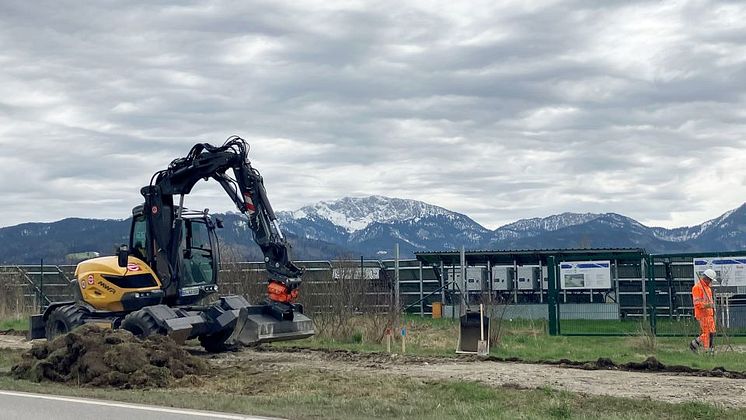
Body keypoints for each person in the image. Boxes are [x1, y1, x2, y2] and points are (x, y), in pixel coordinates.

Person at [689, 268, 717, 353]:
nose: (711, 282)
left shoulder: (707, 288)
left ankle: (701, 346)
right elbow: (697, 303)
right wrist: (707, 305)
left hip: (709, 314)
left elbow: (710, 301)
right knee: (707, 333)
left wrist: (712, 309)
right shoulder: (697, 288)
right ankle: (706, 350)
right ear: (707, 278)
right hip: (702, 314)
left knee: (711, 332)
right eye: (710, 280)